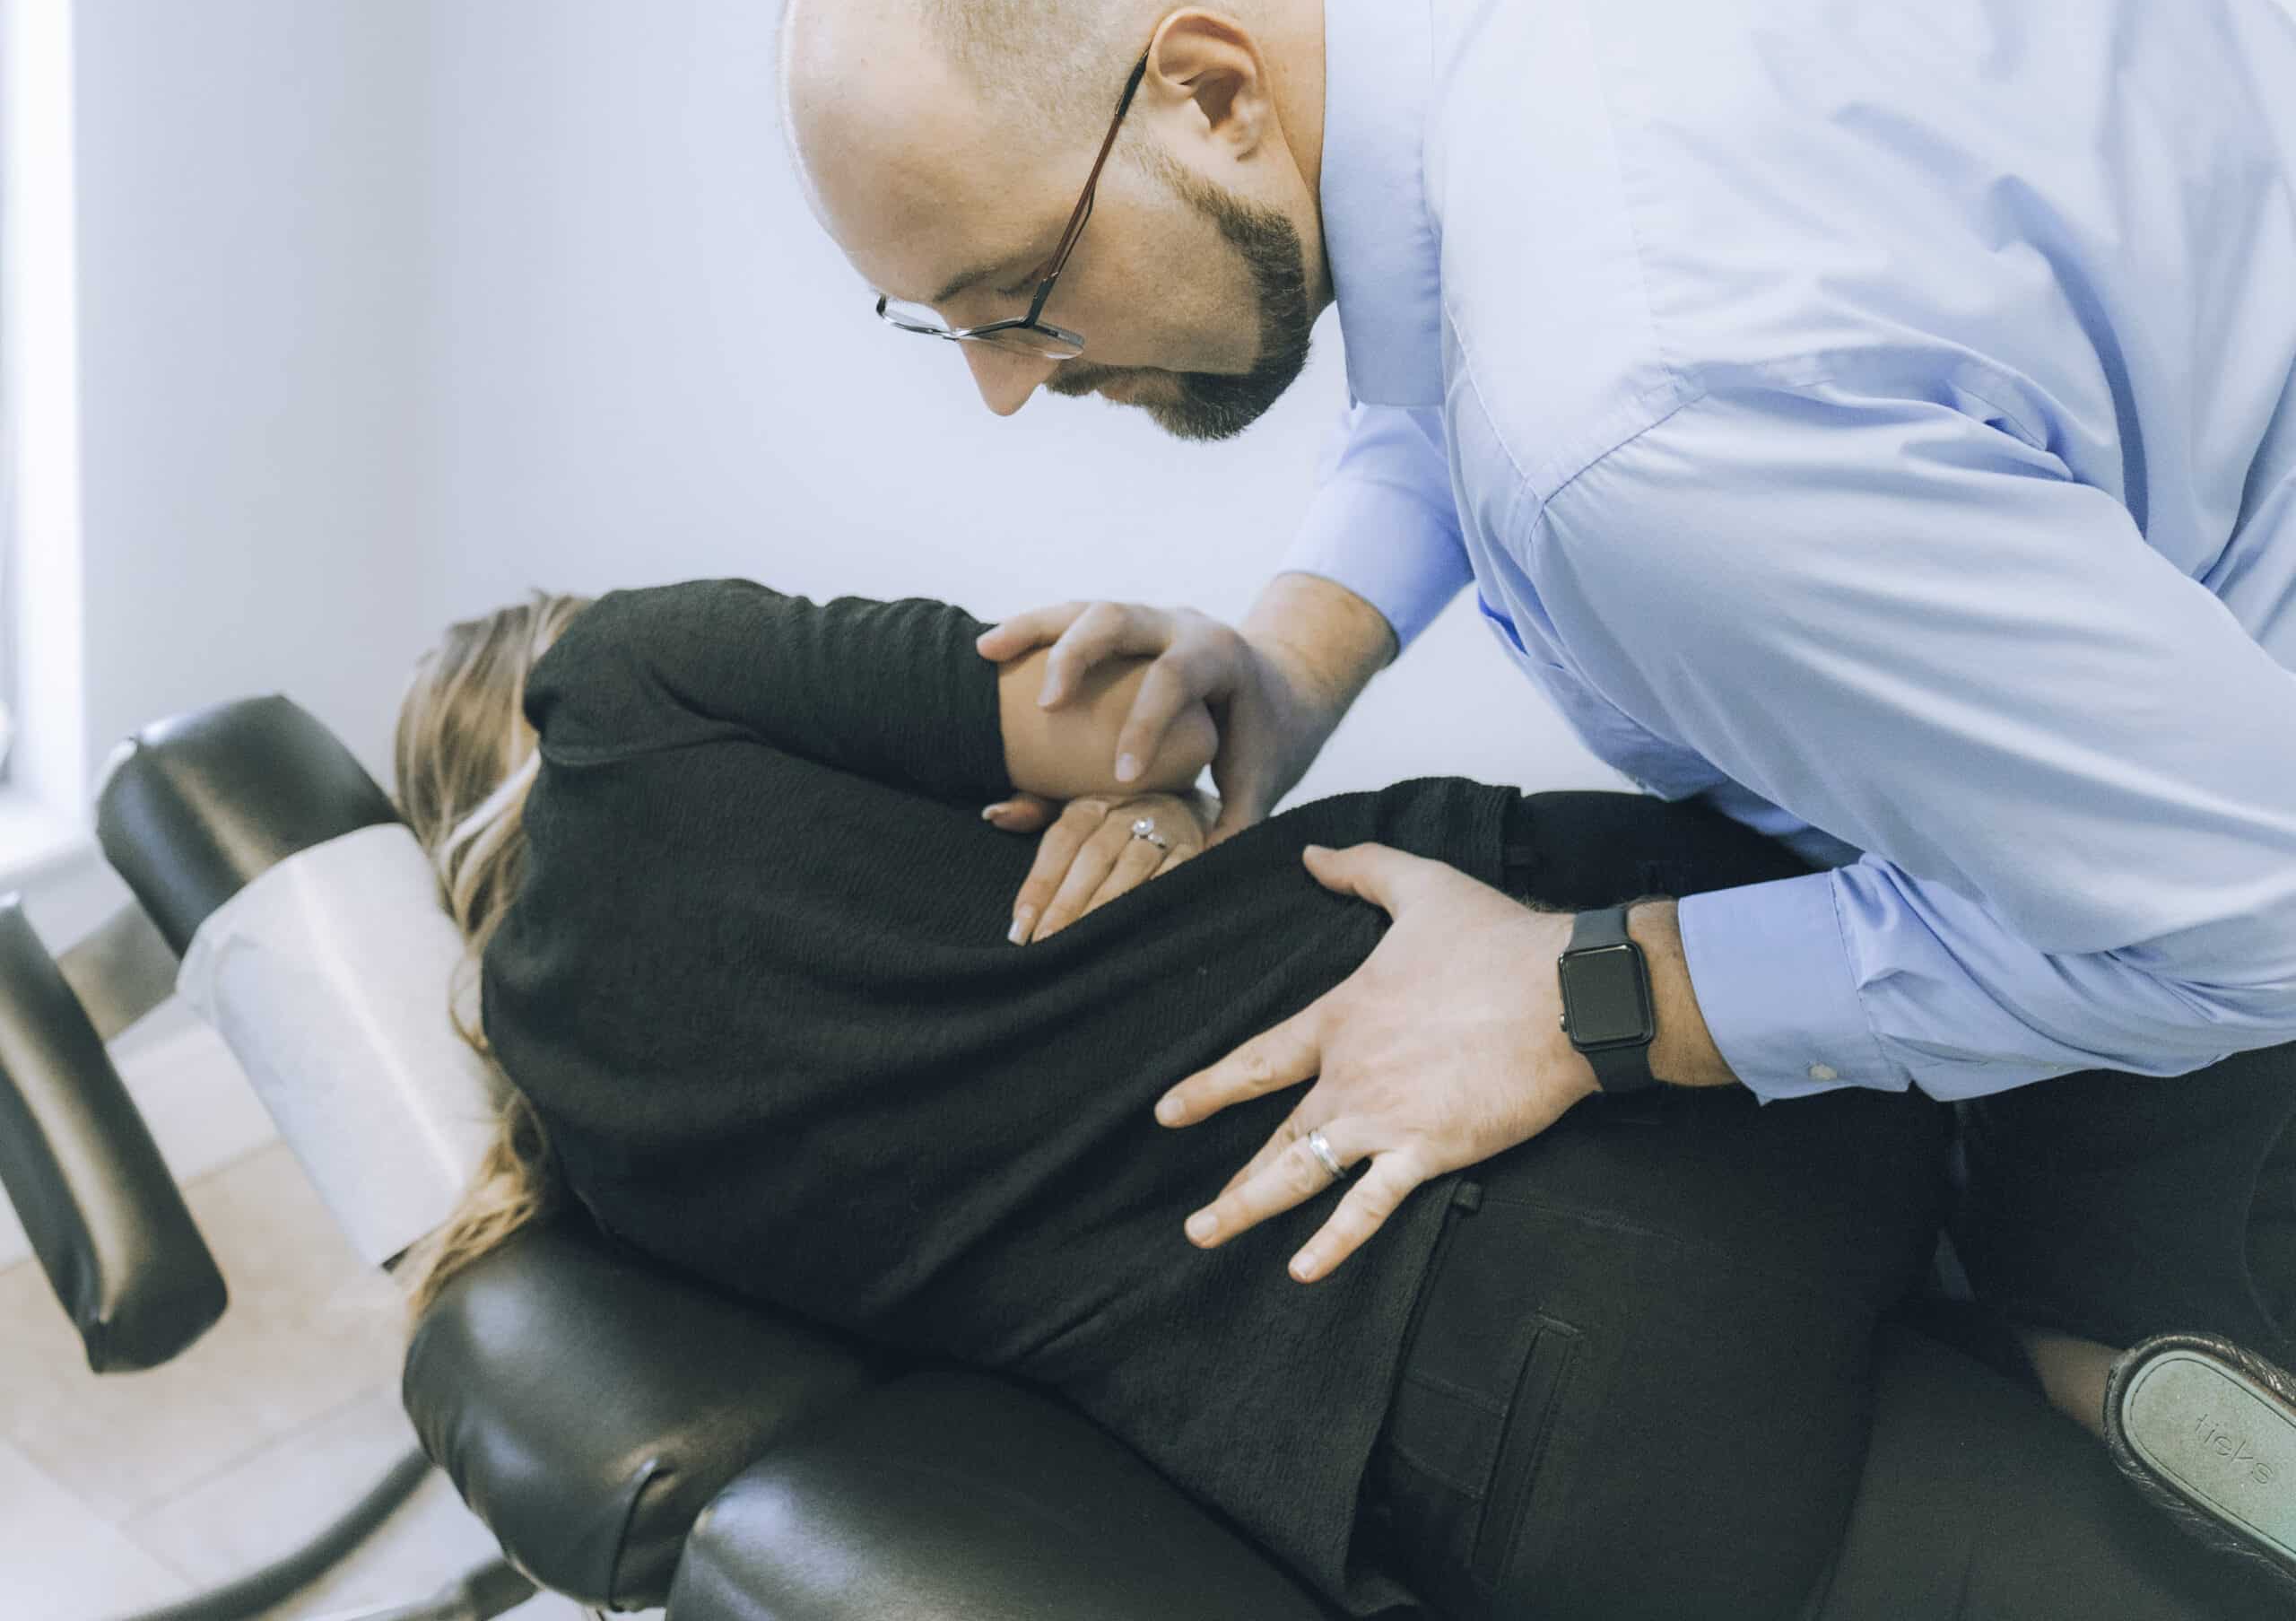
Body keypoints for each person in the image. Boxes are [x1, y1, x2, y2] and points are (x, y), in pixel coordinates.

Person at [774, 0, 2296, 1582]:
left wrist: (1590, 994)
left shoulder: (1639, 428)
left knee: (2135, 1399)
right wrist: (1288, 654)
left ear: (1207, 87)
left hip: (2226, 816)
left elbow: (2252, 915)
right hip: (2182, 439)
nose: (1009, 388)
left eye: (1017, 300)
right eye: (951, 327)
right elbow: (1452, 312)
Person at [387, 576, 2263, 1620]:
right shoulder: (625, 680)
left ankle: (2087, 1410)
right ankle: (2102, 1355)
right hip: (1605, 1062)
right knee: (2035, 1101)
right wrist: (1129, 788)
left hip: (1509, 1438)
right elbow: (1136, 718)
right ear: (532, 690)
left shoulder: (593, 1164)